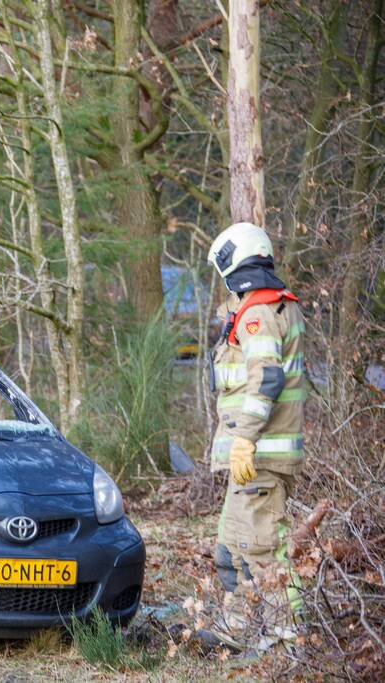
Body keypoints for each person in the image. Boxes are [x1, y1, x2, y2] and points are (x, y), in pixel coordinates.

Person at [205, 221, 306, 652]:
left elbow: (266, 379)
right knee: (231, 548)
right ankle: (238, 624)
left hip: (259, 456)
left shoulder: (259, 314)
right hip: (249, 460)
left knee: (262, 548)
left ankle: (283, 640)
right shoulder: (264, 307)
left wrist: (244, 441)